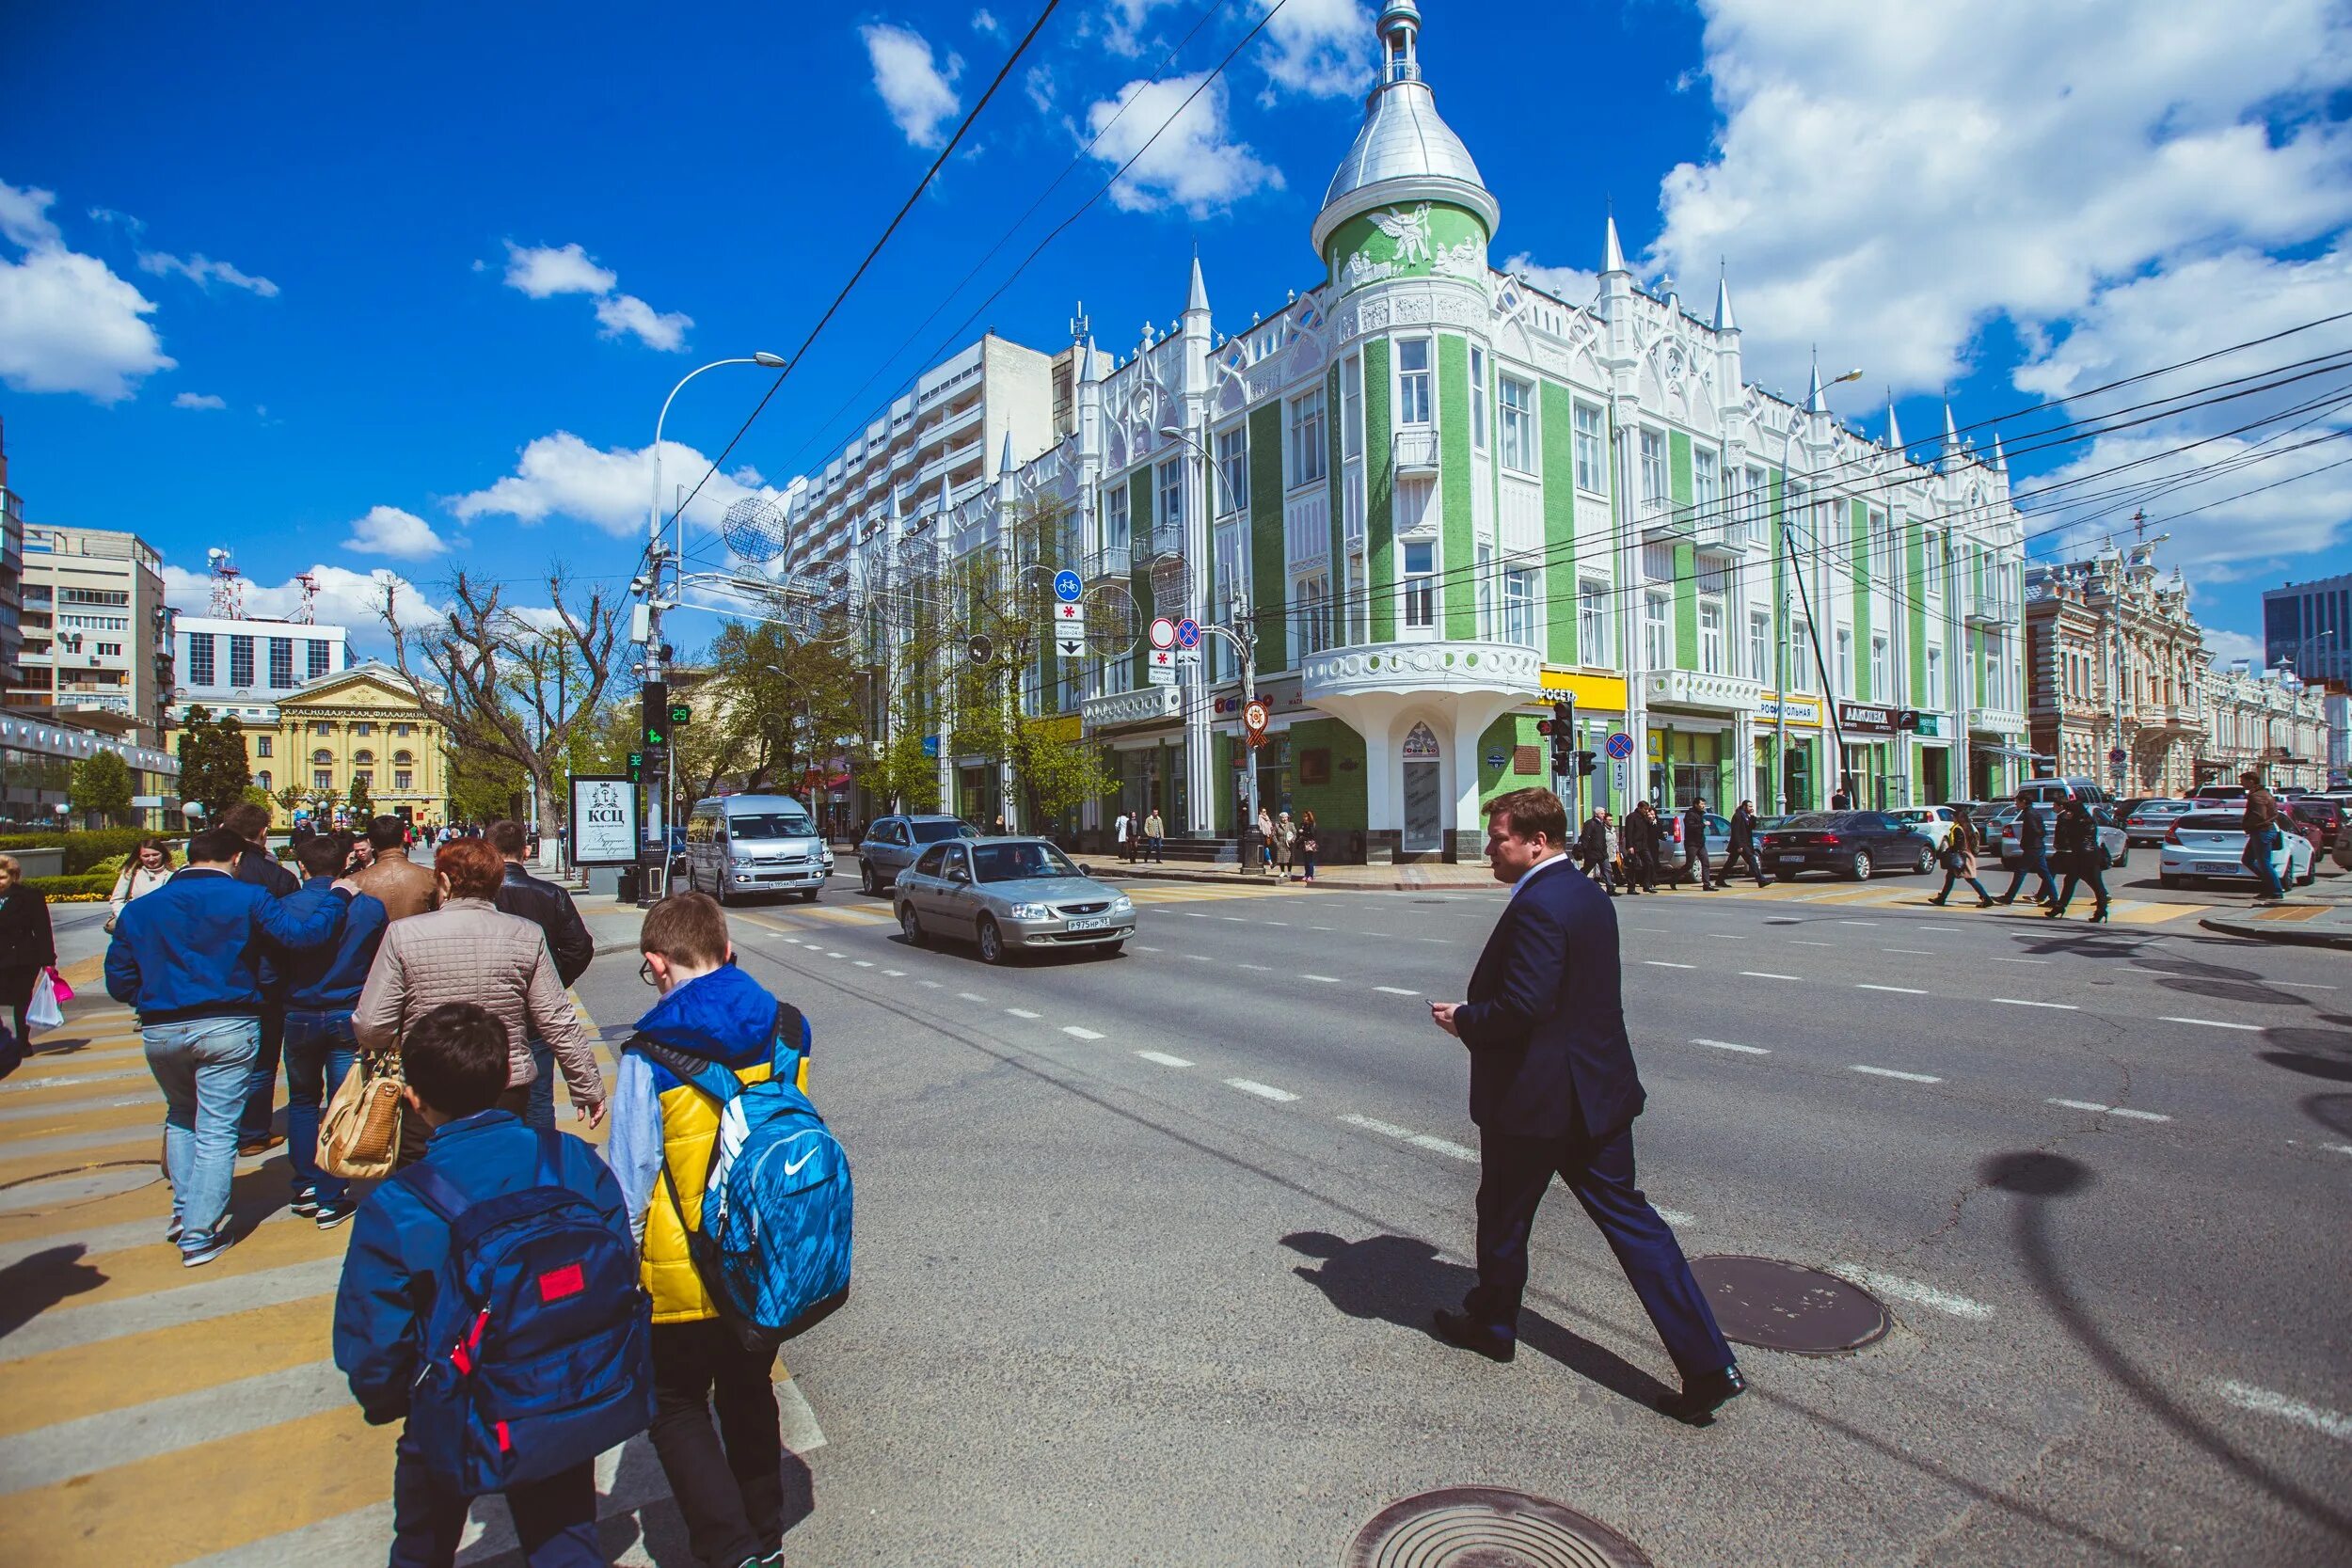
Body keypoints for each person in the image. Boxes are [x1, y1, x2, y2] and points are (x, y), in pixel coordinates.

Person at [1426, 788, 1742, 1423]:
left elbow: (1524, 1007)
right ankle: (1710, 1364)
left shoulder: (1540, 905)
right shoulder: (1588, 895)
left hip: (1537, 1104)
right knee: (1634, 1224)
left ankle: (1492, 1326)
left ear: (1536, 842)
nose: (1490, 848)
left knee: (1504, 1214)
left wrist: (1465, 1019)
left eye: (1500, 838)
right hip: (1598, 1094)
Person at [332, 1002, 628, 1568]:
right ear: (504, 1080)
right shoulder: (568, 1158)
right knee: (565, 1539)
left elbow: (373, 1335)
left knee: (423, 1543)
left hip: (449, 1405)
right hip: (552, 1390)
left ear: (413, 1099)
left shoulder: (398, 1205)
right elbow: (616, 1259)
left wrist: (389, 1399)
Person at [612, 894, 800, 1568]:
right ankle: (767, 1531)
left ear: (657, 964)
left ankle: (728, 1549)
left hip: (683, 1263)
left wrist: (621, 1265)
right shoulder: (786, 1027)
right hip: (761, 1254)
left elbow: (631, 1176)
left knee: (677, 1402)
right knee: (749, 1385)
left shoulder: (648, 1051)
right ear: (727, 951)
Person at [105, 828, 355, 1266]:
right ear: (236, 858)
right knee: (219, 1128)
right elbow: (302, 936)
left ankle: (184, 1213)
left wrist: (158, 995)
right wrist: (338, 897)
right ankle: (199, 1234)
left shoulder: (140, 910)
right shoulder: (247, 898)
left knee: (182, 1117)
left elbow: (120, 981)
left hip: (162, 1027)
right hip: (229, 1022)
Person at [354, 839, 606, 1167]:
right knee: (503, 1180)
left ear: (443, 881)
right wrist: (586, 1084)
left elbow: (371, 1026)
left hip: (427, 1089)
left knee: (429, 1186)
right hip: (505, 1086)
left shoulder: (403, 934)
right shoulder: (526, 934)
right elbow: (556, 1018)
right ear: (497, 882)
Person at [272, 833, 389, 1228]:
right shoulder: (369, 908)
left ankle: (304, 1184)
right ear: (346, 866)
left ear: (300, 866)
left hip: (299, 1014)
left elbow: (269, 969)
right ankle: (330, 1193)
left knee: (303, 1102)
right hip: (347, 1012)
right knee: (344, 1102)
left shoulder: (282, 907)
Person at [487, 819, 596, 1132]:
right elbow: (580, 947)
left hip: (488, 1017)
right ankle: (541, 1163)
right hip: (537, 1018)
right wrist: (551, 980)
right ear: (526, 850)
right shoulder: (551, 894)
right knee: (537, 1100)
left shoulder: (475, 898)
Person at [219, 802, 302, 1155]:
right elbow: (292, 934)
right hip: (265, 980)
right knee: (263, 1059)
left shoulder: (203, 876)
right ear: (263, 832)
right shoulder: (277, 877)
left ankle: (215, 1125)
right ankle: (252, 1132)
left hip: (213, 980)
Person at [0, 855, 57, 1043]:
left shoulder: (29, 896)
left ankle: (23, 1041)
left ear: (13, 876)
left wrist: (48, 961)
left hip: (22, 959)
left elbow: (42, 929)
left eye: (2, 877)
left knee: (21, 1000)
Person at [353, 814, 440, 923]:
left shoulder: (354, 881)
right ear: (404, 837)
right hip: (415, 937)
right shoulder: (431, 877)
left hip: (376, 939)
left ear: (370, 842)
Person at [2046, 798, 2111, 923]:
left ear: (2075, 811)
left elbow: (2070, 836)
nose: (2067, 813)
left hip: (2087, 857)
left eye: (2069, 811)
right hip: (2082, 855)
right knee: (2070, 880)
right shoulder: (2083, 819)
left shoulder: (2080, 821)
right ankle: (2060, 907)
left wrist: (2066, 822)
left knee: (2096, 885)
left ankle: (2101, 910)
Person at [1994, 790, 2057, 906]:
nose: (2016, 804)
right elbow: (2042, 831)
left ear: (2024, 802)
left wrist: (2028, 841)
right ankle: (2054, 899)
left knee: (2021, 871)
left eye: (2017, 802)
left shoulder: (2029, 814)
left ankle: (2009, 897)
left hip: (2033, 848)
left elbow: (2036, 831)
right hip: (2038, 847)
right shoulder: (2034, 812)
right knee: (2044, 873)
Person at [1927, 813, 1994, 908]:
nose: (1952, 819)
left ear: (1958, 818)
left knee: (1970, 879)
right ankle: (1941, 898)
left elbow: (1959, 844)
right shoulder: (1967, 827)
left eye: (1953, 817)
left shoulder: (1958, 828)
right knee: (1951, 878)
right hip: (1966, 855)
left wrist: (1948, 851)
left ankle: (1987, 899)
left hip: (1961, 857)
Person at [2239, 770, 2286, 904]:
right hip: (2263, 831)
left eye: (2243, 781)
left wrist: (2247, 825)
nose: (2241, 783)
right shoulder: (2263, 793)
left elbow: (2259, 815)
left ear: (2251, 781)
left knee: (2264, 862)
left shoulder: (2256, 796)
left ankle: (2276, 891)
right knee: (2248, 859)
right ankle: (2269, 887)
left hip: (2262, 831)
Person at [107, 839, 175, 927]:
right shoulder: (131, 873)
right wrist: (126, 919)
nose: (151, 859)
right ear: (139, 857)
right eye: (146, 856)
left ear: (163, 854)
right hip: (137, 926)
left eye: (155, 854)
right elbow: (117, 900)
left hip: (165, 925)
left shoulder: (174, 874)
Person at [1724, 801, 1770, 887]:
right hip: (1740, 844)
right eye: (1749, 806)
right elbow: (1735, 832)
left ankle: (1720, 880)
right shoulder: (1738, 816)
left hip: (1746, 844)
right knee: (1752, 861)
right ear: (1744, 806)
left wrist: (1753, 817)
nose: (1751, 808)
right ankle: (1761, 880)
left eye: (1752, 806)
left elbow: (1751, 827)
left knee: (1732, 862)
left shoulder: (1747, 816)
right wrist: (1739, 845)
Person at [1576, 808, 1620, 895]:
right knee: (1586, 869)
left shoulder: (1601, 824)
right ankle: (1576, 883)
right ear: (1596, 814)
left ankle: (1610, 889)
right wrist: (1583, 849)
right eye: (1602, 814)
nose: (1604, 815)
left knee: (1607, 870)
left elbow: (1602, 839)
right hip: (1592, 853)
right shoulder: (1590, 823)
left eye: (1604, 814)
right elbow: (1585, 837)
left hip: (1602, 853)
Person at [1680, 798, 1715, 891]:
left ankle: (1707, 885)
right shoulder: (1690, 814)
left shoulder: (1701, 814)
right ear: (1696, 804)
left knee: (1706, 863)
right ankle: (1674, 879)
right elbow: (1690, 826)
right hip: (1691, 843)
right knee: (1689, 864)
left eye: (1704, 804)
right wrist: (1704, 824)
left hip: (1700, 843)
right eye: (1701, 804)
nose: (1703, 806)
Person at [1298, 808, 1320, 883]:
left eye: (1305, 816)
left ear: (1309, 817)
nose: (1304, 818)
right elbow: (1299, 833)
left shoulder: (1311, 824)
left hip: (1310, 843)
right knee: (1305, 861)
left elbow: (1312, 834)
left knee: (1310, 860)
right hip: (1303, 843)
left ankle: (1310, 875)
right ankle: (1306, 875)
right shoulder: (1302, 824)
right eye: (1303, 816)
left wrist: (1303, 831)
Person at [1275, 810, 1298, 880]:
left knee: (1289, 859)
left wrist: (1292, 840)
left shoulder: (1291, 824)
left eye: (1286, 817)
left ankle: (1289, 871)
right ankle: (1282, 872)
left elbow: (1295, 833)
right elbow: (1273, 835)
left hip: (1289, 844)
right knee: (1281, 858)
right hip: (1281, 844)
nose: (1285, 819)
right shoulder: (1277, 825)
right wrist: (1277, 842)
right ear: (1280, 818)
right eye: (1283, 818)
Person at [1256, 805, 1277, 872]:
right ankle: (1270, 863)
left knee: (1266, 850)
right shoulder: (1259, 818)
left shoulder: (1267, 818)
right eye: (1264, 812)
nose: (1265, 813)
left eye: (1265, 811)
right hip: (1262, 836)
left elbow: (1270, 825)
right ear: (1260, 812)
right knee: (1266, 850)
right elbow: (1260, 826)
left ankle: (1270, 863)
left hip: (1267, 836)